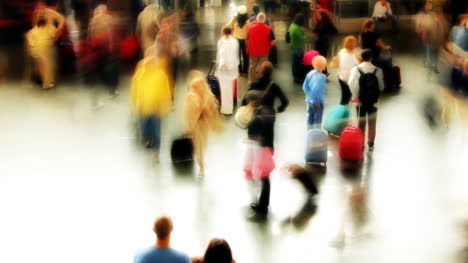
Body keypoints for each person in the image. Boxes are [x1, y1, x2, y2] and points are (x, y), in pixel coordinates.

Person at [131, 44, 173, 162]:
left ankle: (156, 153)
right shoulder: (140, 73)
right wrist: (135, 104)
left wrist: (165, 107)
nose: (150, 62)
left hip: (156, 108)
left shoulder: (160, 75)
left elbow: (166, 92)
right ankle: (148, 139)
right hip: (143, 108)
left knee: (157, 132)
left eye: (152, 59)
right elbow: (135, 89)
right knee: (144, 129)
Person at [243, 91, 276, 220]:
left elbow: (252, 136)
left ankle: (262, 208)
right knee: (265, 178)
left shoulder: (256, 119)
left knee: (264, 179)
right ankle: (262, 205)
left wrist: (247, 139)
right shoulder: (269, 111)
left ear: (251, 103)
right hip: (269, 148)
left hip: (262, 151)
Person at [183, 71, 223, 176]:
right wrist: (188, 126)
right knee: (198, 145)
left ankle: (199, 161)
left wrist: (207, 111)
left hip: (204, 124)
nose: (195, 89)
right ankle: (201, 167)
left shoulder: (209, 96)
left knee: (201, 145)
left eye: (197, 87)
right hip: (195, 124)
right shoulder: (191, 96)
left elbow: (214, 108)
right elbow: (187, 112)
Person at [241, 61, 289, 147]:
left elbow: (244, 101)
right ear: (272, 72)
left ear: (260, 71)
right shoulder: (274, 86)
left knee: (254, 143)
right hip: (269, 116)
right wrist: (278, 109)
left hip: (256, 116)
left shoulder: (254, 84)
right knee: (268, 143)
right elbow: (285, 101)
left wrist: (247, 109)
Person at [348, 50, 384, 151]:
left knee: (361, 123)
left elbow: (351, 83)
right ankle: (371, 143)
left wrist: (355, 95)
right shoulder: (378, 70)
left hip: (361, 101)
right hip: (374, 101)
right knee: (372, 124)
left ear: (361, 58)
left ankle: (361, 144)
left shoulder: (356, 69)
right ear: (371, 58)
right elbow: (381, 86)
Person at [26, 15, 59, 89]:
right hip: (45, 49)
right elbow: (54, 35)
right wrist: (52, 41)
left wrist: (32, 46)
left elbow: (29, 39)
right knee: (48, 67)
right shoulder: (49, 28)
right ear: (45, 23)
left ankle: (45, 82)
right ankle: (47, 84)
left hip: (36, 50)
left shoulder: (34, 30)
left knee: (41, 67)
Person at [415, 2, 447, 73]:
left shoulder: (436, 17)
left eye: (430, 6)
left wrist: (442, 38)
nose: (429, 7)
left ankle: (433, 66)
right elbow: (424, 26)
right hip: (429, 38)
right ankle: (428, 64)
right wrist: (422, 34)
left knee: (434, 53)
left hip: (435, 38)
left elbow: (441, 28)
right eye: (427, 6)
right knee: (428, 51)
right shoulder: (425, 15)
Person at [216, 27, 240, 115]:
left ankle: (225, 109)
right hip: (232, 70)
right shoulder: (235, 41)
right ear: (231, 32)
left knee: (224, 90)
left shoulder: (221, 42)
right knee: (230, 89)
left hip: (223, 69)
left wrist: (219, 66)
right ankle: (230, 108)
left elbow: (219, 56)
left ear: (223, 32)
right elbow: (236, 55)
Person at [247, 12, 275, 83]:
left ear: (256, 19)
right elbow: (273, 41)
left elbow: (247, 38)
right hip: (264, 51)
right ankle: (262, 80)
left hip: (253, 50)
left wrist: (247, 48)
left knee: (253, 65)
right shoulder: (269, 29)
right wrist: (269, 47)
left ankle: (251, 80)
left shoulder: (250, 28)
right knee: (263, 66)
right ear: (264, 20)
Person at [333, 36, 360, 105]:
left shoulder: (342, 51)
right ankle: (342, 110)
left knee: (344, 95)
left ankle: (342, 109)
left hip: (341, 77)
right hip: (348, 79)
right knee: (347, 96)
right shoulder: (351, 56)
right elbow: (357, 65)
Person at [302, 56, 328, 129]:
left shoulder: (310, 73)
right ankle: (316, 135)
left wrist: (310, 96)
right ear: (323, 66)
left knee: (310, 118)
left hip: (309, 101)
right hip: (318, 102)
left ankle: (309, 132)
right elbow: (317, 90)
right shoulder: (322, 77)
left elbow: (304, 87)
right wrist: (316, 101)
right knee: (317, 120)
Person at [226, 5, 250, 76]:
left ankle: (239, 71)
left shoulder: (235, 20)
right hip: (245, 40)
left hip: (236, 40)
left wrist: (233, 19)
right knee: (246, 56)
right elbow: (250, 30)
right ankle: (245, 72)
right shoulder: (248, 21)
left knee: (237, 55)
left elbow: (228, 26)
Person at [288, 13, 311, 83]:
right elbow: (302, 38)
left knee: (294, 62)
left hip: (293, 45)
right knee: (298, 62)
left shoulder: (292, 26)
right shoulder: (296, 29)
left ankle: (296, 76)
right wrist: (309, 36)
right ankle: (297, 77)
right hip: (298, 47)